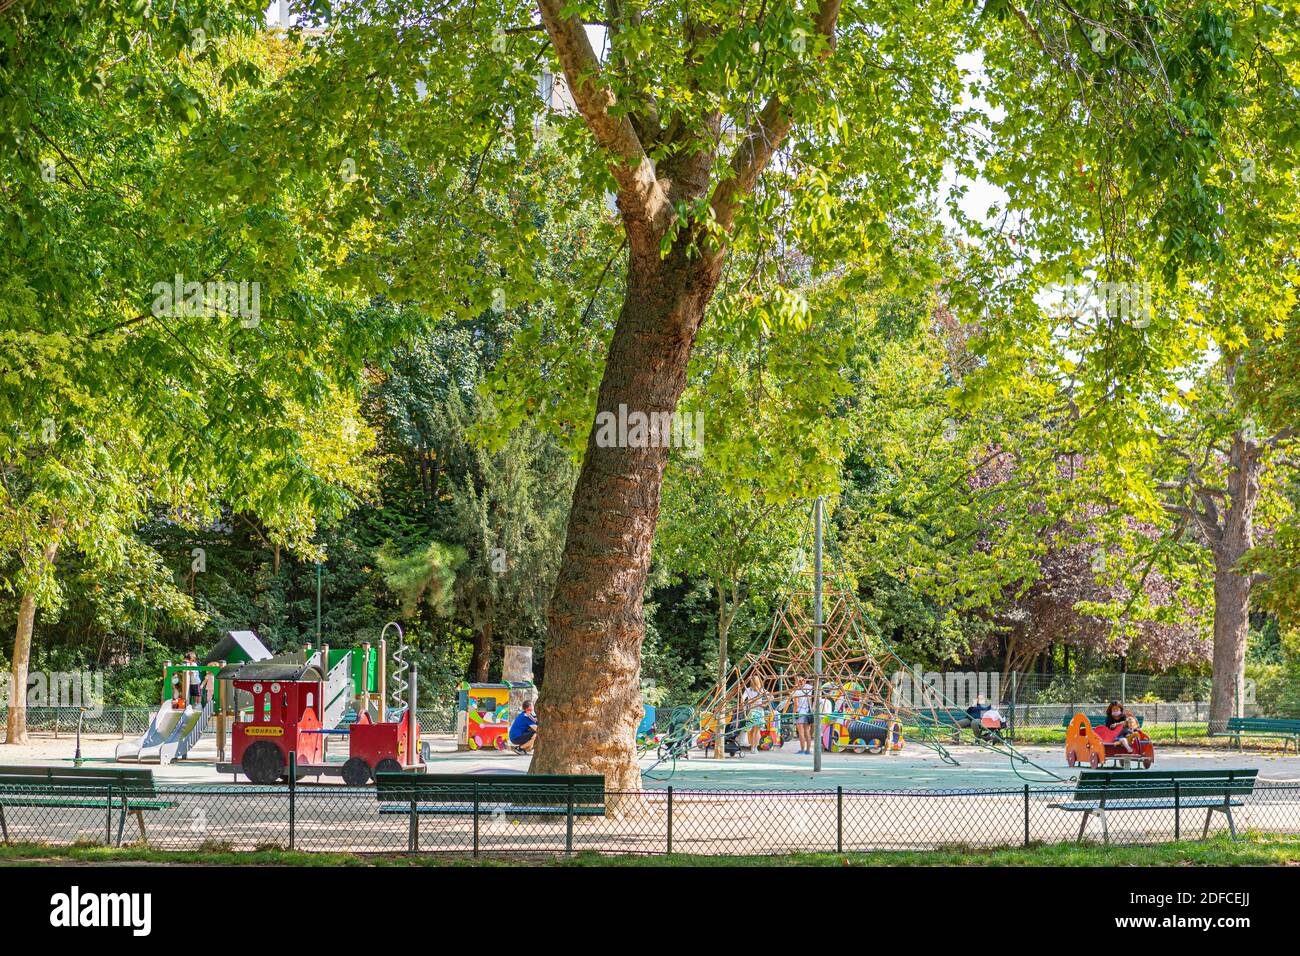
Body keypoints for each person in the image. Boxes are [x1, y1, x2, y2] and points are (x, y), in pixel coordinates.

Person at [791, 679, 814, 755]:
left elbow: (796, 704)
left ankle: (802, 750)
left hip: (799, 713)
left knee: (801, 733)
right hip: (807, 712)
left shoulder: (797, 692)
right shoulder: (809, 689)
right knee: (807, 732)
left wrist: (794, 714)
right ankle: (808, 750)